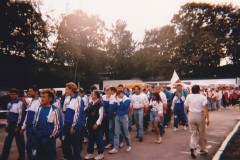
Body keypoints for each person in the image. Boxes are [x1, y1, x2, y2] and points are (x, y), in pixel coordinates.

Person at [32, 90, 63, 160]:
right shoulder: (39, 108)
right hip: (37, 138)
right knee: (36, 157)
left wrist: (50, 137)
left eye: (44, 97)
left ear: (50, 99)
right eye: (41, 97)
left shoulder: (55, 110)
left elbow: (58, 127)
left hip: (48, 140)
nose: (42, 99)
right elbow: (35, 121)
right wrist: (35, 133)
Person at [185, 85, 209, 159]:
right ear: (199, 90)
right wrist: (207, 118)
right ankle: (203, 149)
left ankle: (192, 146)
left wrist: (191, 110)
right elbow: (205, 108)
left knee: (194, 133)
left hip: (191, 115)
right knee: (202, 133)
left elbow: (185, 105)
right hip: (200, 115)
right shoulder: (202, 97)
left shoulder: (189, 96)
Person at [62, 82, 85, 160]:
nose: (65, 90)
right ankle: (69, 157)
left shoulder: (78, 99)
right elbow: (64, 110)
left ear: (72, 89)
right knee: (65, 143)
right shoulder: (68, 98)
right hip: (66, 124)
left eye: (67, 89)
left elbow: (77, 114)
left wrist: (73, 126)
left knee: (75, 145)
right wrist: (65, 101)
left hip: (73, 125)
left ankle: (77, 158)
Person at [1, 89, 25, 160]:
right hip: (10, 125)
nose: (12, 96)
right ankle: (4, 157)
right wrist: (7, 125)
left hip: (17, 125)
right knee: (7, 142)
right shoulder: (9, 103)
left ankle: (22, 156)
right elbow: (8, 115)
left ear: (17, 94)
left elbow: (21, 116)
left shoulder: (20, 103)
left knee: (20, 142)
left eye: (14, 94)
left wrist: (18, 126)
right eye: (11, 94)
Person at [21, 85, 41, 160]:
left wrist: (35, 127)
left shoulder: (39, 101)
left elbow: (39, 117)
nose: (29, 92)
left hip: (34, 129)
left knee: (34, 148)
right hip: (29, 128)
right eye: (28, 91)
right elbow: (27, 116)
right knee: (28, 148)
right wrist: (23, 127)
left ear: (36, 92)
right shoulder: (31, 102)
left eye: (31, 91)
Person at [85, 90, 104, 160]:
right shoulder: (91, 103)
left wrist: (97, 124)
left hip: (97, 125)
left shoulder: (100, 104)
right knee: (91, 139)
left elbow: (101, 116)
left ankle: (101, 153)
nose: (91, 95)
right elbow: (87, 112)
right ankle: (90, 153)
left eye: (92, 94)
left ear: (96, 95)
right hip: (90, 124)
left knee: (98, 139)